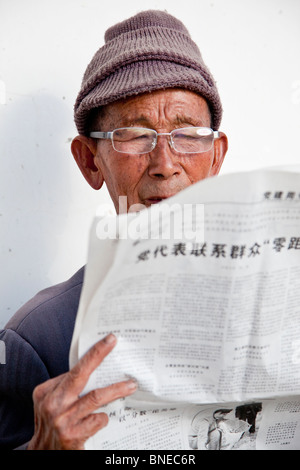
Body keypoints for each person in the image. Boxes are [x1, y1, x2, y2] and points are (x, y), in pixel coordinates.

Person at [0, 9, 228, 450]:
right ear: (90, 161)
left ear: (216, 157)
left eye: (187, 134)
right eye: (134, 135)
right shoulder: (37, 339)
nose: (165, 165)